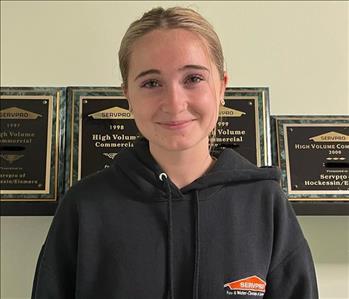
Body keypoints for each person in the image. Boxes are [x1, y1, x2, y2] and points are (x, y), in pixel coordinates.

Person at [32, 6, 318, 299]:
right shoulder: (84, 206)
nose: (174, 102)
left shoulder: (266, 204)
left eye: (193, 78)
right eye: (151, 83)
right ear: (127, 96)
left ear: (221, 88)